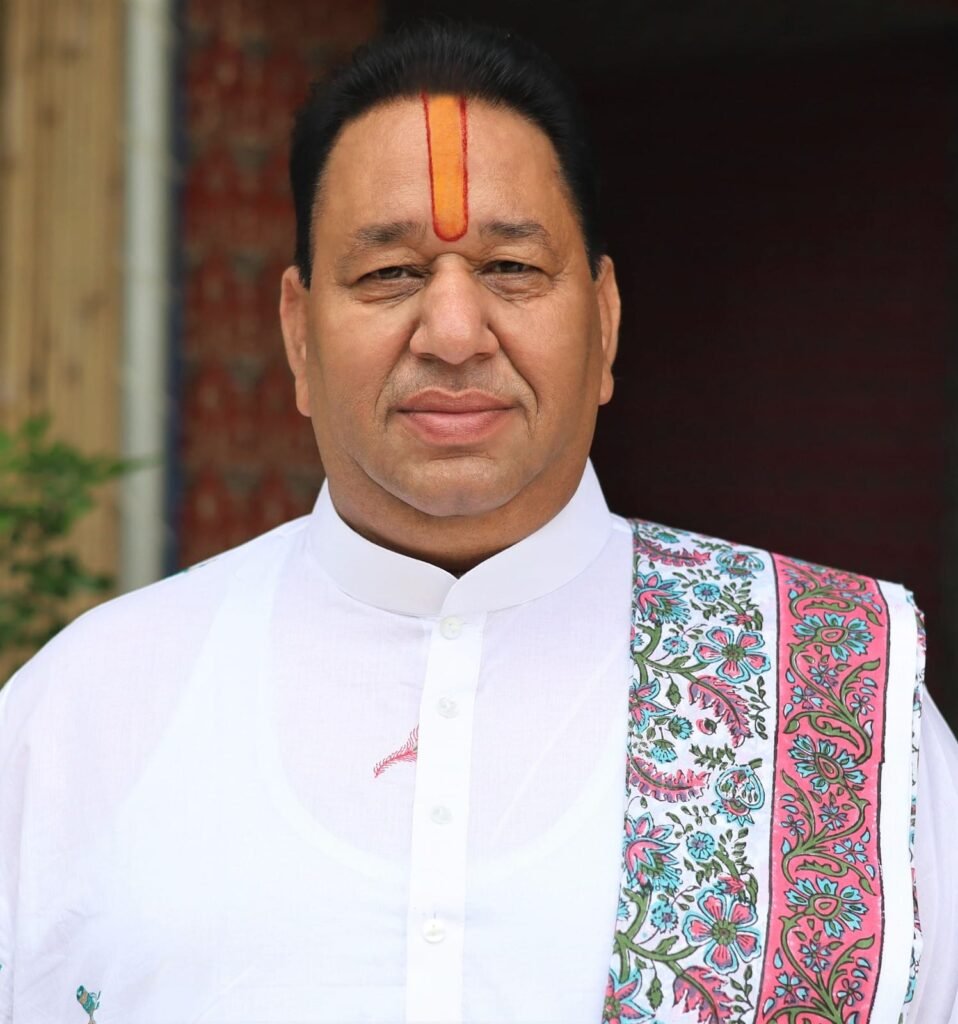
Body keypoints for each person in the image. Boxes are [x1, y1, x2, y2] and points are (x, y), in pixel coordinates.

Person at [1, 21, 956, 1024]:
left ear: (605, 321)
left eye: (510, 268)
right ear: (297, 334)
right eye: (389, 274)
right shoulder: (89, 710)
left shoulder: (835, 694)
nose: (454, 335)